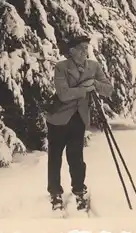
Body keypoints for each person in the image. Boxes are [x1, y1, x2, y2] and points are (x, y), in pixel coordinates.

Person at [46, 34, 114, 212]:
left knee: (76, 158)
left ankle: (78, 189)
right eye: (82, 48)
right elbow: (63, 94)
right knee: (55, 157)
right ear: (72, 51)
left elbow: (108, 90)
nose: (86, 52)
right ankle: (55, 192)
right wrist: (85, 88)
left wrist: (95, 84)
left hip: (79, 118)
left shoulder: (94, 66)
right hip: (58, 118)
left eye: (87, 48)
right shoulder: (61, 67)